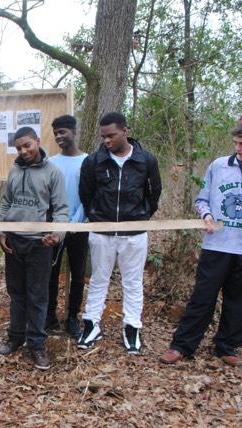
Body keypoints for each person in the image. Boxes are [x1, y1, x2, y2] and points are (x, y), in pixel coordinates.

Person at [77, 112, 162, 355]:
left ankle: (132, 327)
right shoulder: (94, 161)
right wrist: (97, 216)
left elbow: (153, 193)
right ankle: (91, 323)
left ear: (125, 131)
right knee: (98, 279)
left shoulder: (146, 160)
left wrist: (141, 216)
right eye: (103, 137)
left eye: (111, 135)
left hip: (134, 233)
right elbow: (86, 193)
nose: (106, 141)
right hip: (102, 231)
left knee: (133, 282)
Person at [160, 125, 242, 367]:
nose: (238, 148)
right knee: (202, 297)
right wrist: (206, 215)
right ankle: (182, 345)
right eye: (237, 143)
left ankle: (226, 346)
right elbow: (202, 198)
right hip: (217, 245)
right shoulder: (219, 166)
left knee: (237, 300)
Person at [0, 126, 68, 370]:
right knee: (16, 293)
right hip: (14, 242)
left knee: (38, 295)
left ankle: (36, 345)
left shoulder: (53, 173)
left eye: (27, 145)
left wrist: (56, 235)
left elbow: (60, 210)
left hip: (40, 243)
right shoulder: (14, 170)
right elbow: (5, 204)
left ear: (37, 141)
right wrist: (1, 233)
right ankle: (15, 337)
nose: (24, 151)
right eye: (19, 148)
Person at [45, 115, 89, 338]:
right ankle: (50, 317)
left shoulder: (88, 161)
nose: (59, 137)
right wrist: (58, 224)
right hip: (55, 227)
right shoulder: (51, 162)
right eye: (56, 134)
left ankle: (72, 316)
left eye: (63, 132)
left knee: (78, 274)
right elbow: (48, 195)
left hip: (79, 227)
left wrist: (76, 222)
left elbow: (89, 195)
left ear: (73, 132)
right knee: (51, 272)